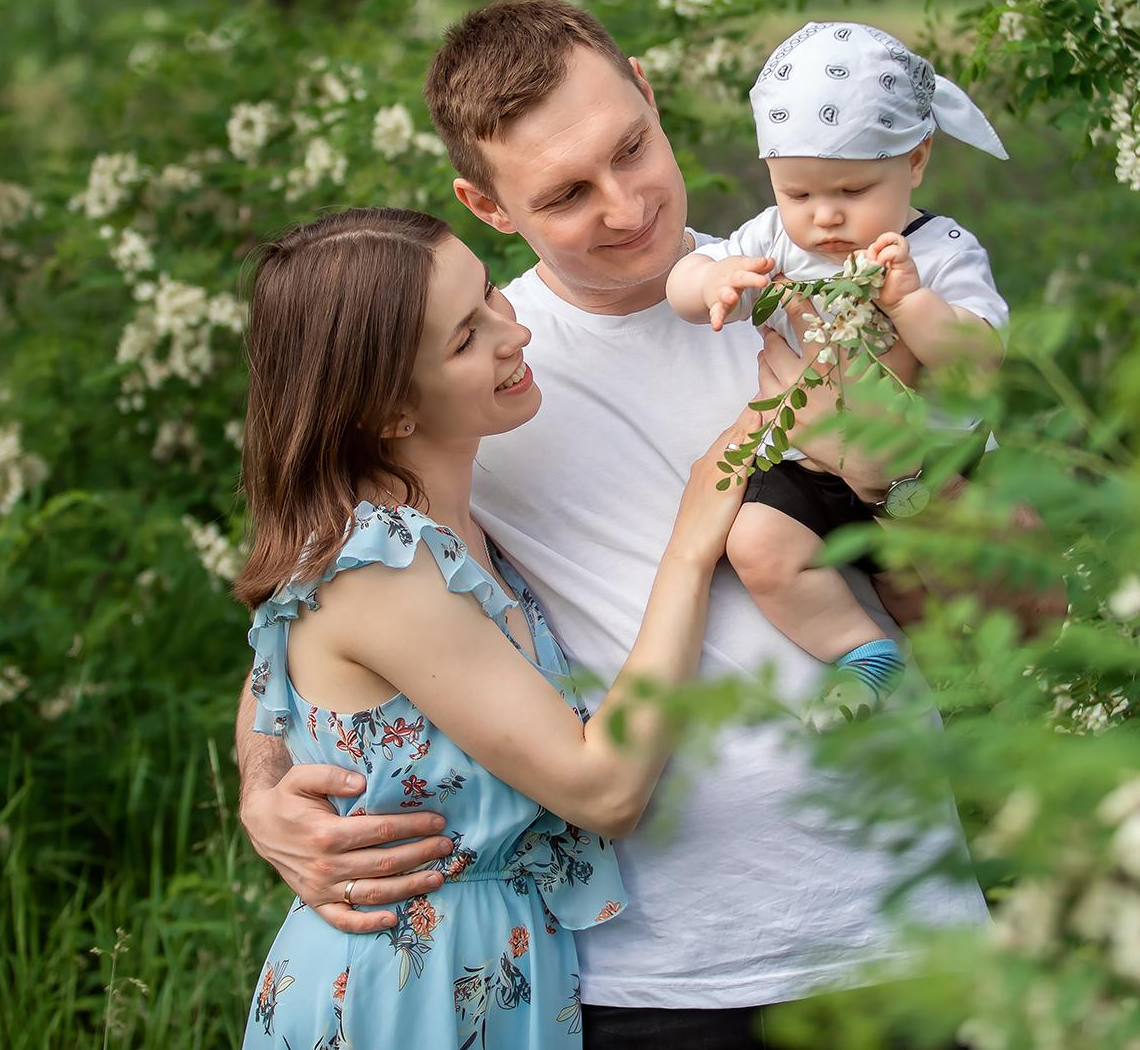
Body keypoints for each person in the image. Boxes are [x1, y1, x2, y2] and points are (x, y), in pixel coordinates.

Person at [237, 0, 994, 1049]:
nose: (626, 206)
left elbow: (1026, 613)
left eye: (631, 148)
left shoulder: (815, 292)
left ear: (646, 85)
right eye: (565, 193)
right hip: (647, 984)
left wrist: (897, 474)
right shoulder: (471, 379)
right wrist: (267, 790)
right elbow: (322, 612)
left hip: (909, 938)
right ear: (484, 204)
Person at [231, 206, 756, 1048]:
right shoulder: (382, 567)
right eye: (464, 339)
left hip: (494, 966)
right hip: (413, 986)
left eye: (488, 297)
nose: (512, 333)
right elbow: (605, 788)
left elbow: (269, 697)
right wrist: (692, 546)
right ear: (390, 412)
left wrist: (263, 790)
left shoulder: (433, 529)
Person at [665, 20, 1011, 720]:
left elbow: (979, 352)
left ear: (914, 161)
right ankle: (861, 651)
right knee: (757, 543)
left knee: (916, 581)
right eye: (797, 193)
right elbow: (685, 278)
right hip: (813, 457)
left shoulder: (940, 249)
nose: (823, 216)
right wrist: (715, 281)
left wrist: (912, 302)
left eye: (851, 191)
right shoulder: (771, 238)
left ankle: (970, 684)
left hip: (930, 461)